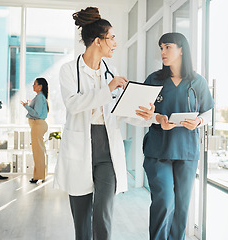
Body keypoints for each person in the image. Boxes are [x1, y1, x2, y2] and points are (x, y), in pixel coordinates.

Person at [53, 7, 154, 240]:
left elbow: (118, 110)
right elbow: (73, 105)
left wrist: (144, 115)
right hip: (80, 147)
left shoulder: (111, 72)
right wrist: (107, 89)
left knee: (103, 215)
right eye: (112, 38)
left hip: (107, 148)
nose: (115, 43)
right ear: (98, 41)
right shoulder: (69, 70)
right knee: (82, 222)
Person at [142, 32, 215, 240]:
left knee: (182, 207)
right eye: (161, 48)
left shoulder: (197, 81)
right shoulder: (154, 79)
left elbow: (208, 112)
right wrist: (158, 118)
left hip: (187, 151)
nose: (163, 52)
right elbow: (142, 112)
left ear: (181, 49)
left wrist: (198, 121)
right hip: (158, 150)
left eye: (168, 47)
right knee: (164, 201)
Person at [21, 78, 49, 184]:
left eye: (34, 84)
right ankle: (40, 175)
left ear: (40, 86)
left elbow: (36, 114)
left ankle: (38, 177)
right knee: (40, 152)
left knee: (38, 153)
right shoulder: (41, 97)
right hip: (39, 125)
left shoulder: (39, 97)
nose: (33, 86)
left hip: (38, 125)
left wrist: (26, 106)